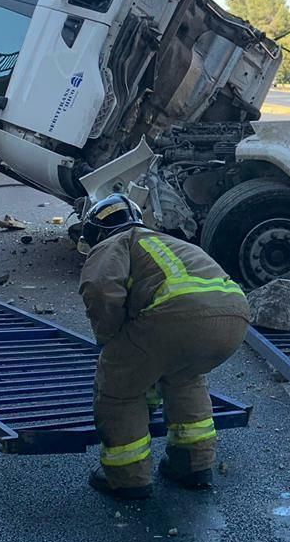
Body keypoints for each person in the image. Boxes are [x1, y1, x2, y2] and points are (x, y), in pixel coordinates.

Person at [77, 194, 249, 502]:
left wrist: (109, 337)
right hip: (233, 317)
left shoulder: (114, 243)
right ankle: (193, 465)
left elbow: (101, 289)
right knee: (184, 377)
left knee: (119, 387)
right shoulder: (165, 242)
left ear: (98, 231)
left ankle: (128, 478)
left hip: (177, 316)